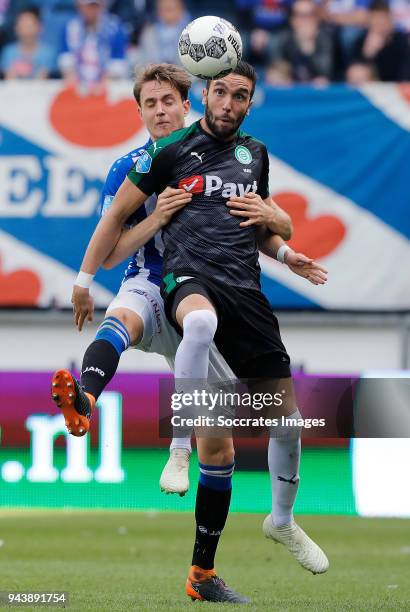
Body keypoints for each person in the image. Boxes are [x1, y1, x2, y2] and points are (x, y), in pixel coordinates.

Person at [69, 61, 329, 602]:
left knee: (229, 447)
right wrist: (145, 228)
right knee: (123, 319)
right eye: (150, 104)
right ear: (139, 112)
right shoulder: (136, 166)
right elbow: (114, 243)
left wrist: (281, 239)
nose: (160, 110)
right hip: (158, 284)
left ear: (187, 105)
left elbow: (261, 222)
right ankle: (87, 398)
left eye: (168, 101)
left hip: (224, 291)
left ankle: (202, 573)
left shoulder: (237, 152)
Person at [58, 0, 128, 88]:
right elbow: (66, 61)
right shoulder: (70, 27)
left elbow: (117, 62)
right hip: (77, 84)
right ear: (79, 6)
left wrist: (102, 86)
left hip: (106, 84)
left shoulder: (114, 27)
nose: (92, 10)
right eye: (88, 6)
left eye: (95, 6)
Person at [350, 0, 410, 81]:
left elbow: (404, 70)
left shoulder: (400, 39)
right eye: (376, 18)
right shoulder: (361, 40)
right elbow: (353, 70)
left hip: (396, 86)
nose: (380, 22)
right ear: (369, 20)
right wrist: (368, 54)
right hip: (371, 87)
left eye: (383, 18)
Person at [0, 7, 55, 79]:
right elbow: (7, 77)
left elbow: (48, 77)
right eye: (23, 25)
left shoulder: (49, 53)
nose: (26, 30)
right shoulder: (8, 52)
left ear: (40, 27)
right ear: (16, 28)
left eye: (29, 26)